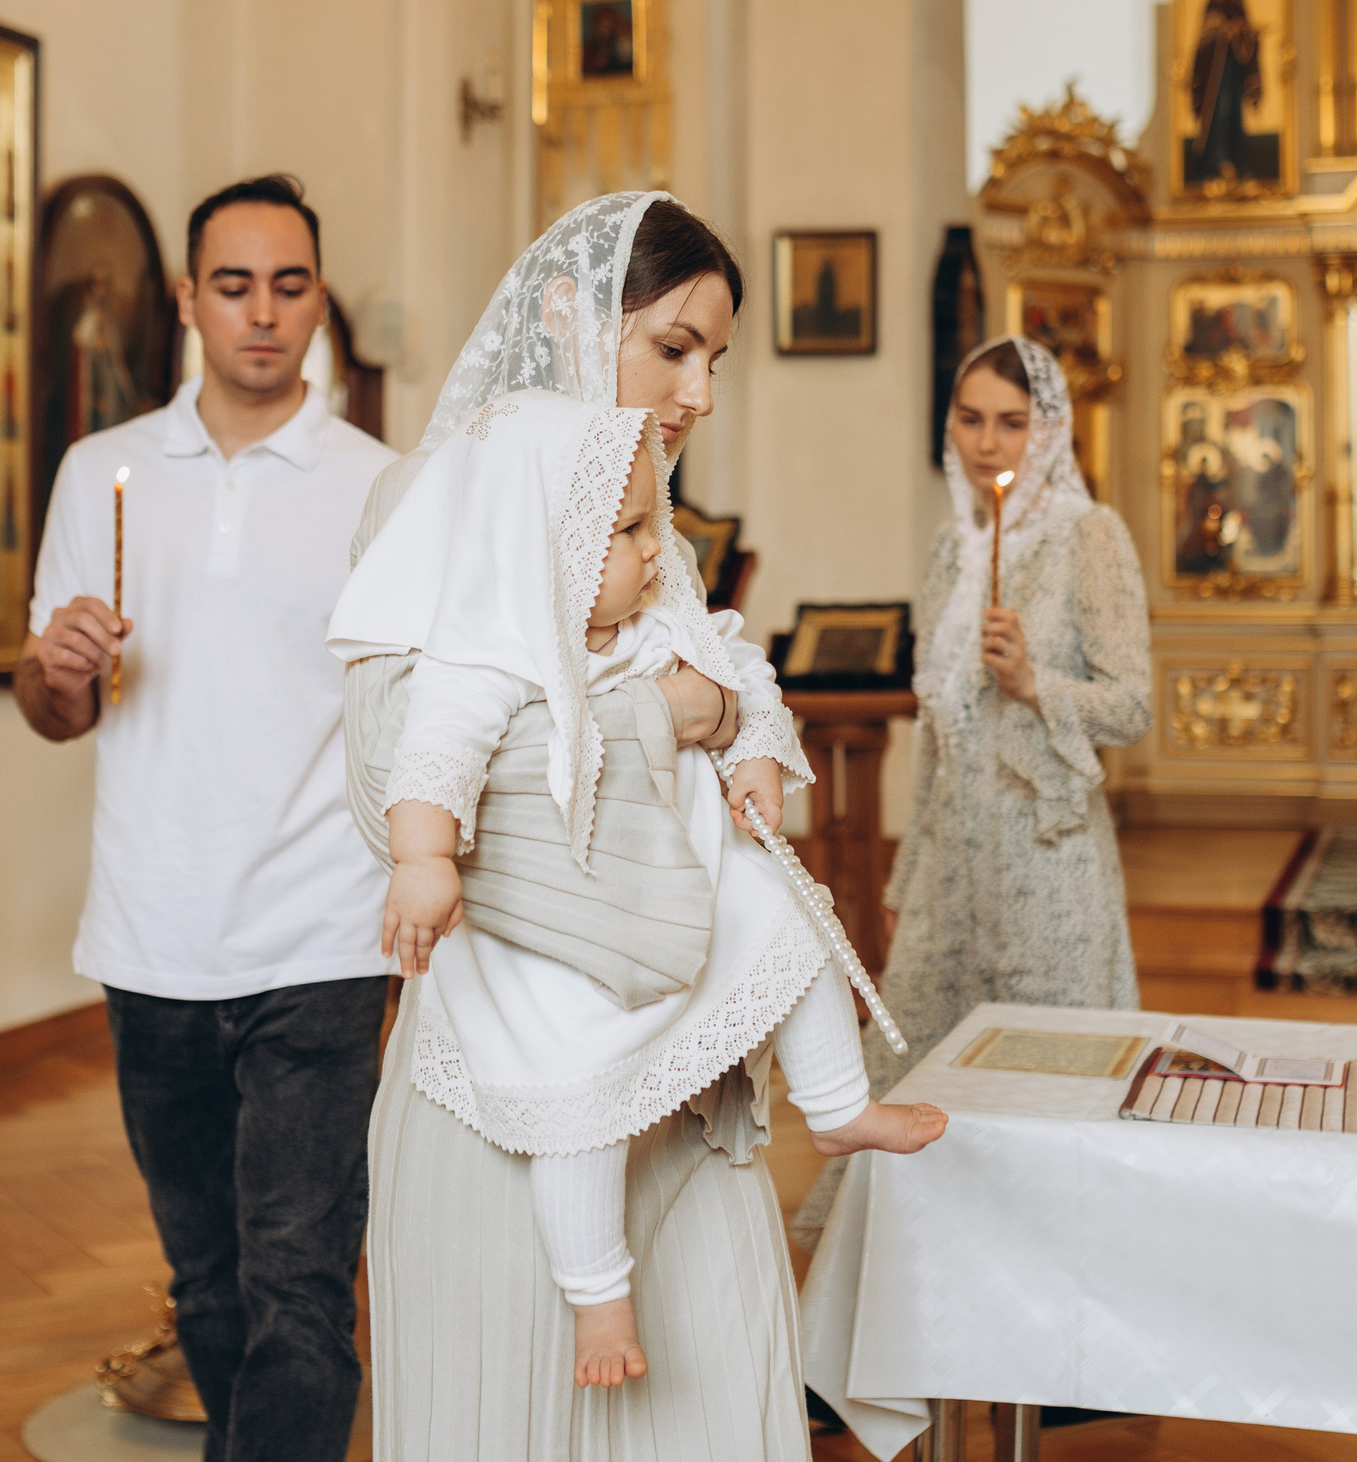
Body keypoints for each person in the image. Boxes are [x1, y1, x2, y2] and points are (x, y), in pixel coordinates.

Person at [355, 192, 830, 1462]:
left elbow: (725, 685)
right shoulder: (436, 493)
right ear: (569, 316)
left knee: (710, 1458)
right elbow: (393, 776)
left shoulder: (645, 516)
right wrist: (668, 715)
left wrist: (734, 717)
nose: (703, 389)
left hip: (682, 1084)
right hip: (511, 1095)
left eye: (716, 359)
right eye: (675, 346)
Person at [331, 393, 943, 1388]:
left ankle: (836, 1102)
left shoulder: (654, 619)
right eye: (625, 531)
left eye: (653, 524)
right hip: (566, 923)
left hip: (681, 879)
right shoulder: (496, 644)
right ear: (545, 543)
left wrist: (752, 741)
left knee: (787, 916)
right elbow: (432, 751)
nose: (656, 551)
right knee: (576, 1093)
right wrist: (424, 860)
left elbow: (739, 666)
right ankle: (597, 1296)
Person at [15, 174, 395, 1462]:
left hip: (324, 939)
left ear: (318, 295)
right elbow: (55, 713)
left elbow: (418, 714)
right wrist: (56, 667)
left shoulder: (378, 486)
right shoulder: (99, 469)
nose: (263, 312)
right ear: (186, 299)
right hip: (151, 938)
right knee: (214, 1292)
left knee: (300, 1286)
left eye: (290, 284)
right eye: (233, 284)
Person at [869, 336, 1152, 1090]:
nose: (986, 442)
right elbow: (938, 732)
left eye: (1012, 422)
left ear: (1050, 432)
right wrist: (904, 884)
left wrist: (1035, 684)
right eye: (969, 419)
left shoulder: (1090, 535)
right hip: (946, 874)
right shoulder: (948, 549)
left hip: (1048, 869)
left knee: (1045, 1084)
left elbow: (1132, 707)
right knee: (915, 1087)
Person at [1186, 0, 1263, 184]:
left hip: (1233, 69)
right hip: (1216, 71)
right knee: (1219, 112)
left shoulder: (1240, 4)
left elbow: (1244, 35)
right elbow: (1208, 31)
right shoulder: (1218, 0)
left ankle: (1237, 163)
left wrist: (1247, 33)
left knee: (1234, 116)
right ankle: (1215, 163)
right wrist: (1227, 29)